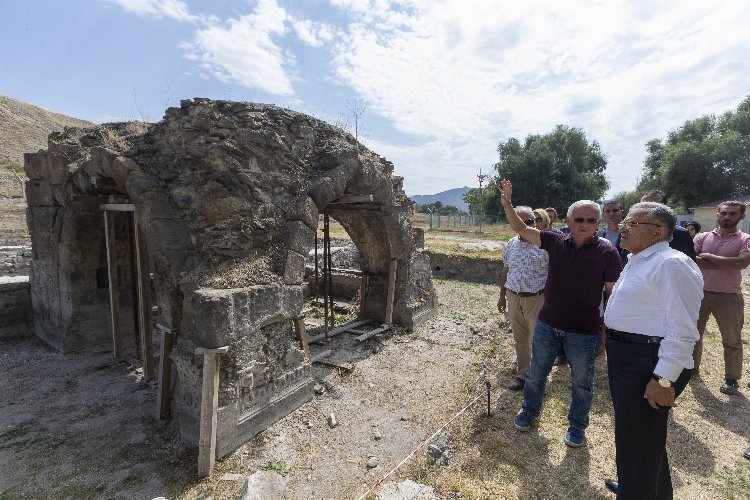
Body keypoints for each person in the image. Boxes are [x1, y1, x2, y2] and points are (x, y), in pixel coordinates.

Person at [498, 180, 621, 447]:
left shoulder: (608, 253)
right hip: (548, 323)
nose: (584, 223)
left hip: (583, 330)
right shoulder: (554, 242)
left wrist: (607, 332)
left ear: (599, 222)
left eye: (591, 219)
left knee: (581, 383)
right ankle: (529, 412)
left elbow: (612, 295)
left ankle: (577, 427)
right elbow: (520, 227)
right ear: (568, 220)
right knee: (536, 373)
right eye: (579, 218)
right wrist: (507, 202)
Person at [602, 202, 703, 499]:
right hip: (630, 357)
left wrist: (664, 380)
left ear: (658, 232)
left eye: (632, 224)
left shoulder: (672, 263)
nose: (622, 227)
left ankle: (636, 490)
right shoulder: (640, 259)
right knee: (642, 438)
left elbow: (683, 328)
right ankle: (647, 489)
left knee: (638, 441)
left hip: (647, 361)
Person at [692, 200, 750, 394]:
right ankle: (692, 368)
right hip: (698, 294)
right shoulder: (702, 236)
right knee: (693, 335)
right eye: (724, 213)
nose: (727, 217)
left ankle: (731, 378)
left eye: (732, 214)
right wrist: (728, 262)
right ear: (718, 214)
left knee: (732, 339)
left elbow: (742, 263)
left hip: (729, 297)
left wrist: (709, 257)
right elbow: (692, 259)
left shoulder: (745, 239)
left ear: (741, 216)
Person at [498, 206, 549, 390]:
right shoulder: (511, 244)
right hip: (514, 297)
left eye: (530, 221)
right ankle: (522, 374)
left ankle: (538, 378)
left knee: (539, 341)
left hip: (537, 299)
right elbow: (506, 271)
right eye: (521, 222)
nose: (527, 225)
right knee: (520, 339)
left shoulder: (545, 245)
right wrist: (502, 296)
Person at [640, 190, 696, 260]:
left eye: (652, 205)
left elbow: (689, 265)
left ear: (664, 208)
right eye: (643, 205)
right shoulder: (631, 233)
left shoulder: (680, 235)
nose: (646, 209)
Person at [598, 199, 629, 266]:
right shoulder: (598, 234)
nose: (611, 214)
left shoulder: (630, 233)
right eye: (607, 211)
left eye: (615, 210)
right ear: (603, 215)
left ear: (622, 212)